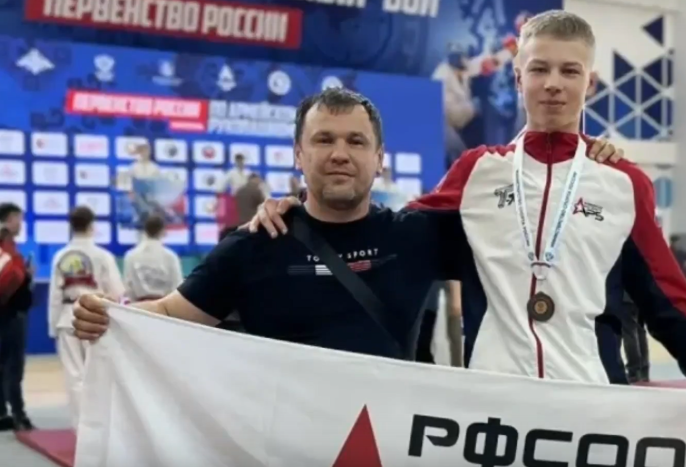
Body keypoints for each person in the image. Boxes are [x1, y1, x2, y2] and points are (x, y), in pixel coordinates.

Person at [243, 12, 686, 424]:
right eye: (539, 69)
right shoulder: (476, 171)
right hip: (490, 412)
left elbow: (673, 309)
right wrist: (302, 212)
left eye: (569, 70)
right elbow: (386, 237)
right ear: (517, 78)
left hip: (594, 411)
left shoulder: (623, 183)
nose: (553, 82)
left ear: (589, 82)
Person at [71, 88, 621, 363]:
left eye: (356, 141)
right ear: (298, 155)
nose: (340, 153)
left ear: (378, 159)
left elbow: (532, 235)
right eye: (324, 140)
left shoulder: (419, 234)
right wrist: (108, 313)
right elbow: (171, 314)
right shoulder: (254, 245)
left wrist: (587, 163)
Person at [48, 206, 125, 429]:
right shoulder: (103, 256)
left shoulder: (61, 256)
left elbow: (55, 295)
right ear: (92, 225)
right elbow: (117, 292)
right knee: (100, 375)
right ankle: (101, 427)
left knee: (75, 377)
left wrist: (53, 326)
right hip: (97, 318)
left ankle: (81, 429)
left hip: (67, 317)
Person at [0, 203, 34, 431]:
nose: (21, 224)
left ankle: (3, 414)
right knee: (13, 367)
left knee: (3, 365)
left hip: (8, 311)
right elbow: (9, 278)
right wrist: (25, 275)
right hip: (10, 313)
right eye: (19, 219)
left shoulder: (9, 247)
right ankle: (19, 415)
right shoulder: (7, 248)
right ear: (10, 219)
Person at [123, 214, 183, 302]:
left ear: (145, 231)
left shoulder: (131, 256)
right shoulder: (170, 257)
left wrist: (135, 304)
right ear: (163, 231)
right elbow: (177, 287)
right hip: (164, 307)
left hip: (138, 306)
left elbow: (129, 287)